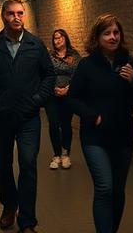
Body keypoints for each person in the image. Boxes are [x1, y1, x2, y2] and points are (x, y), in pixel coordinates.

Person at [0, 0, 55, 233]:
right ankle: (9, 204)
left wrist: (38, 100)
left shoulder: (35, 45)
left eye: (20, 13)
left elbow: (49, 76)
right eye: (11, 13)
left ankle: (27, 220)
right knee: (2, 164)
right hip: (1, 117)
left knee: (28, 163)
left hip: (28, 117)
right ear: (3, 16)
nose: (16, 17)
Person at [66, 14, 133, 233]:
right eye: (107, 33)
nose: (113, 37)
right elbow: (72, 99)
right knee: (105, 188)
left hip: (123, 136)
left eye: (116, 32)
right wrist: (92, 115)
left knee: (118, 191)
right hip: (95, 137)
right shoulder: (87, 65)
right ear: (97, 37)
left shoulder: (130, 63)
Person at [45, 28, 81, 170]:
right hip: (51, 95)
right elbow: (46, 73)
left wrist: (68, 88)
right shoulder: (49, 56)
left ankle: (66, 154)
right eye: (55, 38)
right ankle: (56, 155)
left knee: (66, 124)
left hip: (68, 95)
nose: (58, 40)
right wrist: (53, 87)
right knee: (53, 124)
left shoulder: (74, 55)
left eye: (60, 37)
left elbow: (78, 74)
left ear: (66, 39)